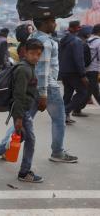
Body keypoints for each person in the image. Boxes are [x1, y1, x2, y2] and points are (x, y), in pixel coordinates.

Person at [0, 39, 45, 182]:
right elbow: (19, 95)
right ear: (25, 53)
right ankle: (24, 172)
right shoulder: (23, 69)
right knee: (31, 140)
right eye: (32, 53)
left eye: (38, 54)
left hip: (24, 109)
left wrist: (39, 98)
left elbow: (30, 89)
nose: (35, 57)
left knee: (21, 137)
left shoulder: (29, 66)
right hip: (23, 111)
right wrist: (19, 118)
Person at [31, 17, 78, 163]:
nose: (55, 24)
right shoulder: (46, 42)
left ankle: (4, 148)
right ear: (44, 23)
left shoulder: (33, 36)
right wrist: (44, 94)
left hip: (32, 83)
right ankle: (57, 153)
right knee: (59, 120)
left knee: (25, 119)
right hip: (48, 86)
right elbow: (43, 70)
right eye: (52, 21)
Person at [58, 21, 89, 123]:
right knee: (83, 92)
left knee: (68, 93)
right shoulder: (77, 41)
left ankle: (63, 116)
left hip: (64, 71)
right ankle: (65, 111)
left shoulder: (63, 40)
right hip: (74, 72)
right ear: (77, 28)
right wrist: (83, 75)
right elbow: (79, 59)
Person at [84, 24, 100, 106]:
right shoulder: (98, 41)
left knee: (93, 89)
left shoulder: (87, 40)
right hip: (94, 69)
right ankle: (76, 108)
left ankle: (77, 108)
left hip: (86, 68)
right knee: (91, 90)